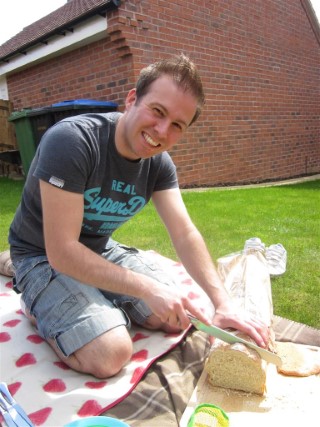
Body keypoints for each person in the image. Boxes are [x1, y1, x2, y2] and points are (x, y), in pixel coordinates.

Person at [9, 54, 269, 379]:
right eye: (157, 111)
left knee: (177, 313)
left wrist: (223, 303)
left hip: (98, 250)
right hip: (41, 255)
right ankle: (31, 293)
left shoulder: (159, 165)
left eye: (177, 125)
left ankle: (91, 295)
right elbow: (62, 252)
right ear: (132, 99)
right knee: (110, 353)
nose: (161, 130)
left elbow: (185, 233)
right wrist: (145, 288)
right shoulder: (73, 141)